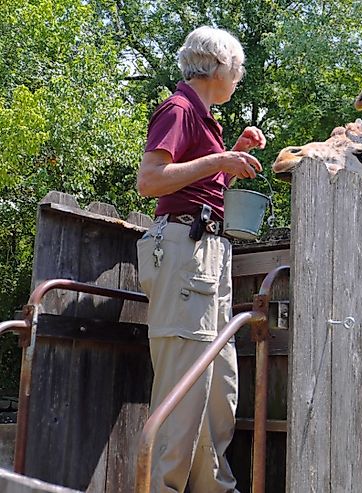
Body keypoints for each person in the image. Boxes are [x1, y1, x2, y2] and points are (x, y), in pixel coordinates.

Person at [135, 26, 265, 493]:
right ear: (219, 65)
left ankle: (216, 488)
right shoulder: (179, 109)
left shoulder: (206, 119)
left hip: (209, 254)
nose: (240, 77)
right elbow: (150, 182)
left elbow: (200, 188)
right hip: (183, 253)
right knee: (182, 393)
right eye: (239, 68)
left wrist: (235, 156)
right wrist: (218, 161)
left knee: (218, 392)